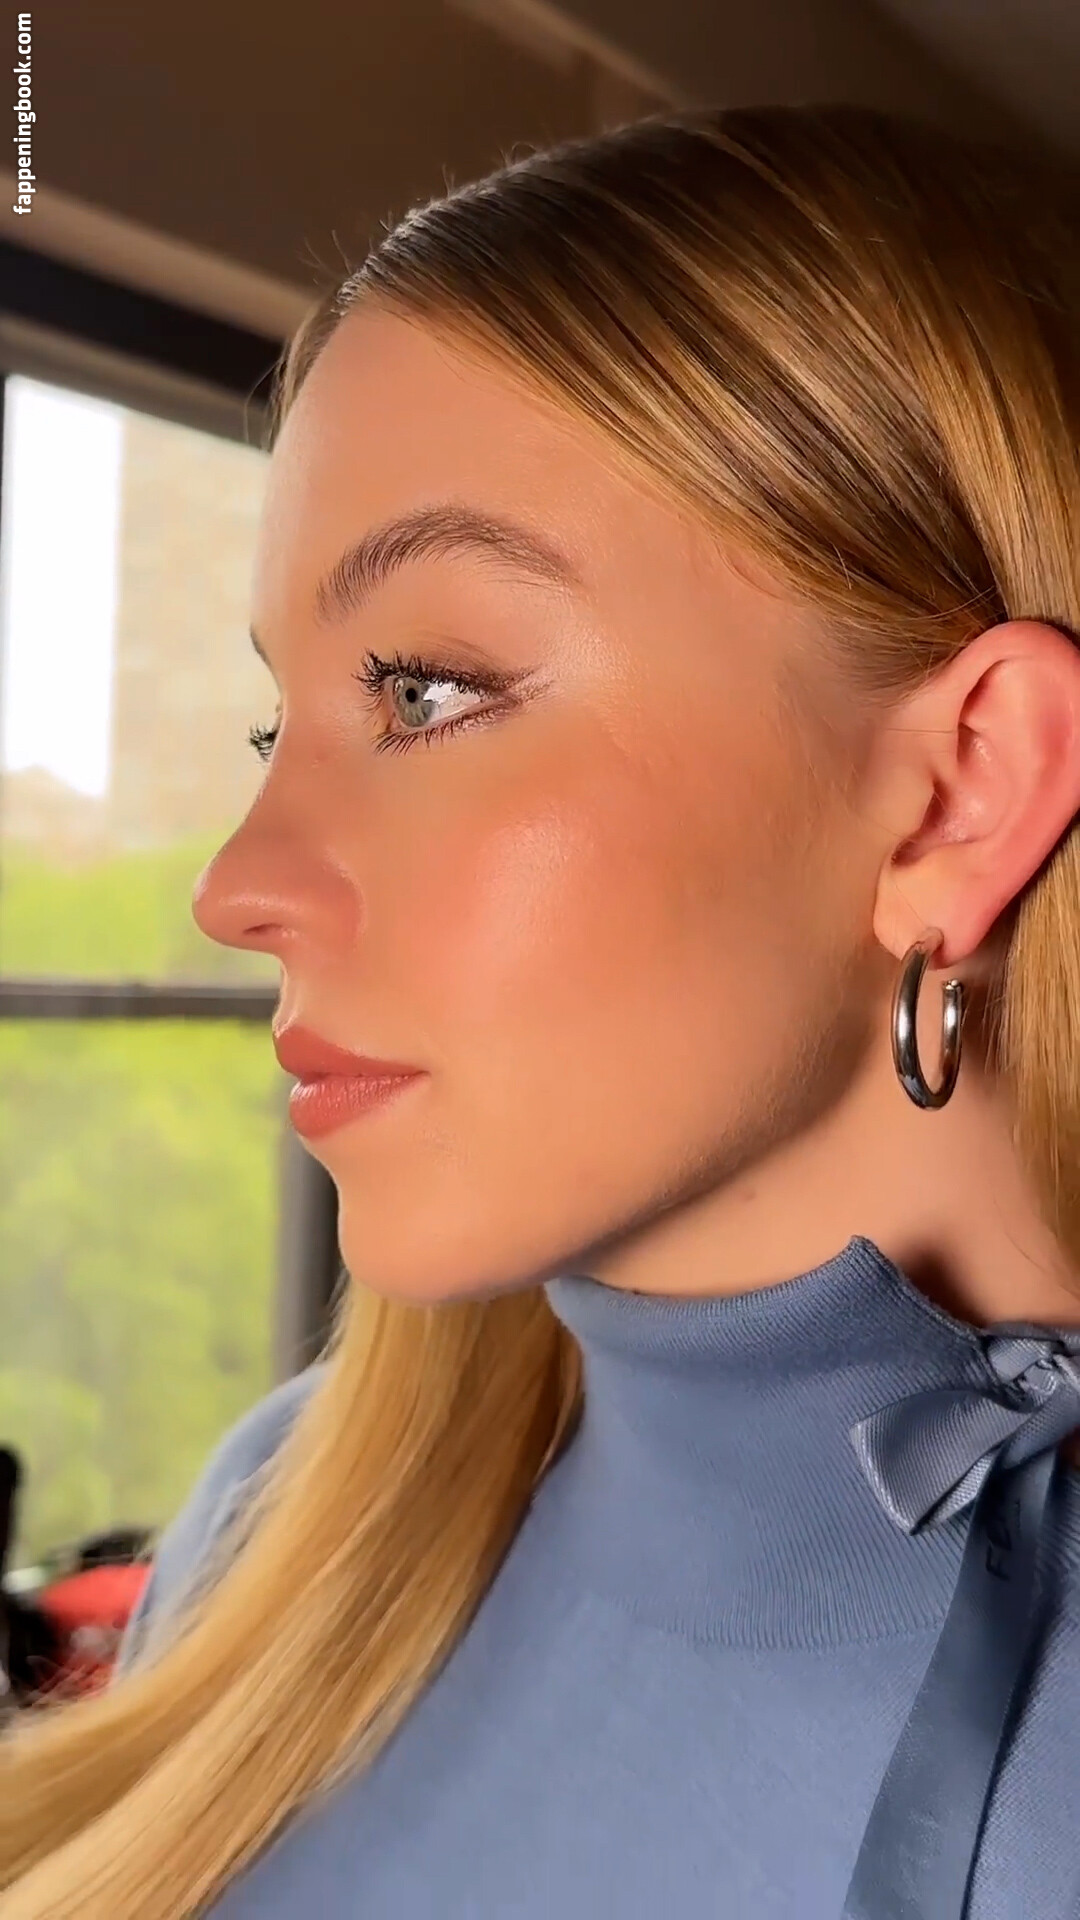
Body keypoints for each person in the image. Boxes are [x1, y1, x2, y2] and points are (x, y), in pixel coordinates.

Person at [3, 99, 1080, 1920]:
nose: (237, 883)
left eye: (424, 691)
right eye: (280, 721)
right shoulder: (288, 1519)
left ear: (959, 792)